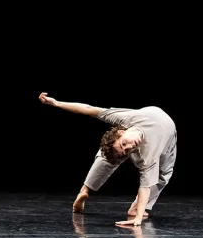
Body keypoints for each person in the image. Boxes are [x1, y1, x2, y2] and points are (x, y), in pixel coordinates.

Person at [38, 92, 177, 227]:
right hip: (155, 116)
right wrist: (138, 217)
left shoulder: (126, 121)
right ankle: (88, 192)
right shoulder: (142, 149)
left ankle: (88, 190)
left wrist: (56, 103)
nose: (130, 146)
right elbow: (145, 186)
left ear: (120, 131)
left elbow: (88, 109)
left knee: (161, 173)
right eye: (127, 149)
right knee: (111, 153)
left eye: (124, 143)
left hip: (167, 134)